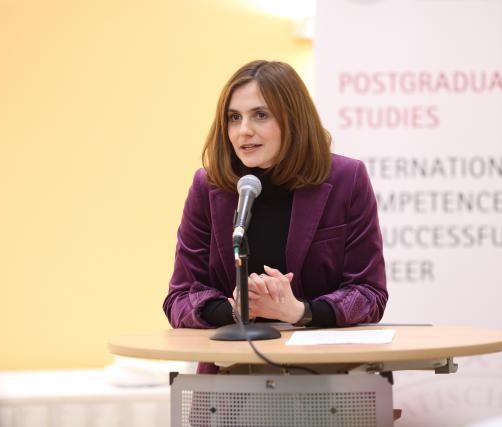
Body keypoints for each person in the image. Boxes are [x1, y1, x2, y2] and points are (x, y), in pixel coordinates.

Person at [163, 60, 388, 372]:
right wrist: (236, 310)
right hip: (231, 378)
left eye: (260, 115)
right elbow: (179, 298)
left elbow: (369, 294)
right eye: (233, 117)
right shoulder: (209, 186)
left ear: (293, 120)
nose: (244, 131)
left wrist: (298, 310)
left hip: (329, 376)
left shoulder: (347, 178)